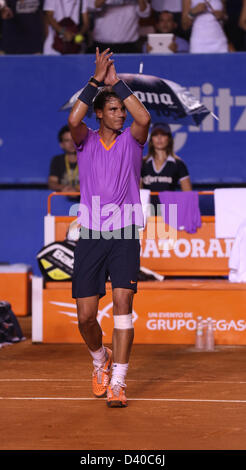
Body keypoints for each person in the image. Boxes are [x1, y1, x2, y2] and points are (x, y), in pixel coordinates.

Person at [68, 48, 150, 407]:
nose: (121, 115)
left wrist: (119, 84)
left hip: (125, 232)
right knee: (86, 316)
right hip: (90, 234)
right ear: (99, 114)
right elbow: (74, 119)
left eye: (121, 110)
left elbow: (143, 117)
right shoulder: (84, 141)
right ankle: (101, 360)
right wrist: (96, 82)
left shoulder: (133, 141)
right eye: (114, 109)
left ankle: (118, 381)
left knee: (122, 302)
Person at [141, 122, 192, 208]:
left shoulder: (178, 164)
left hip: (170, 210)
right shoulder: (142, 164)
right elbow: (138, 193)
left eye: (163, 134)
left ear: (169, 138)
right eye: (155, 134)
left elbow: (188, 195)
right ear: (151, 139)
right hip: (148, 211)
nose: (159, 138)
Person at [48, 125, 80, 193]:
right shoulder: (57, 160)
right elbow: (52, 183)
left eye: (74, 139)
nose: (71, 144)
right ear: (61, 144)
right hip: (63, 199)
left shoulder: (89, 160)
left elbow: (95, 183)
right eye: (67, 140)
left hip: (85, 201)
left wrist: (77, 190)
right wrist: (65, 188)